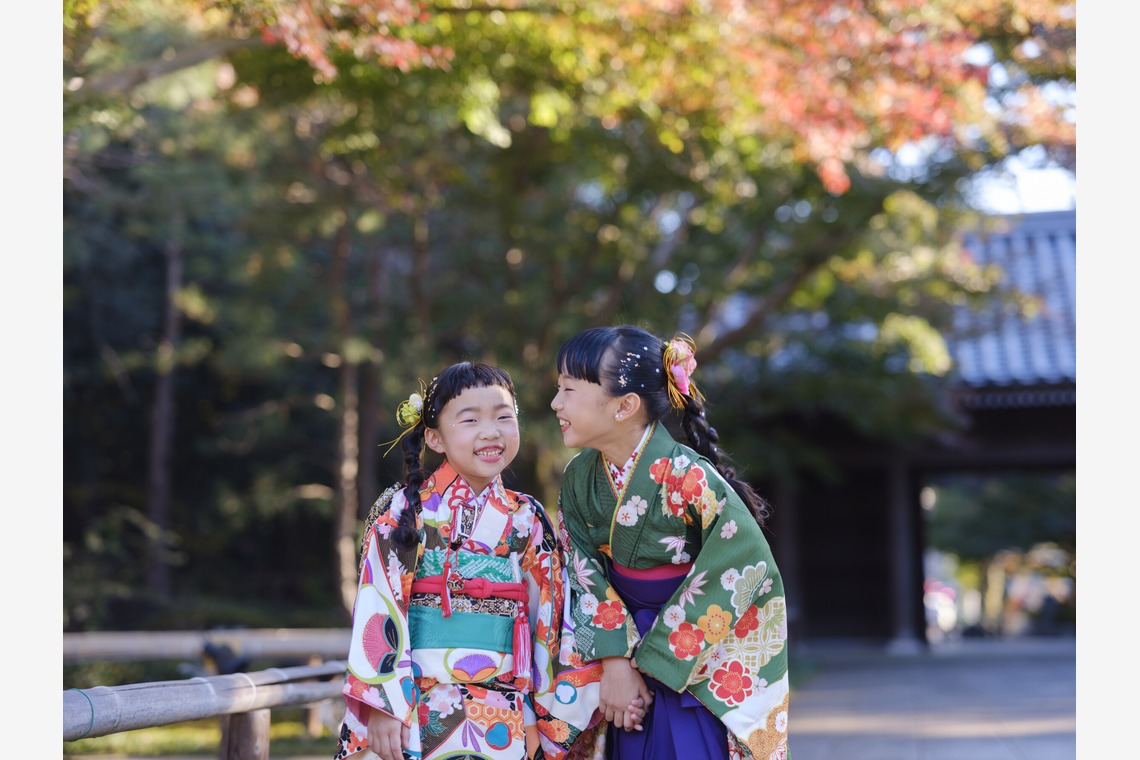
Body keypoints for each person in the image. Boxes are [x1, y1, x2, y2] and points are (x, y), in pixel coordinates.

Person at [334, 361, 601, 760]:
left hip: (505, 713)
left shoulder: (527, 518)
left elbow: (551, 619)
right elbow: (379, 604)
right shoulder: (406, 510)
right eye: (470, 419)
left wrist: (541, 713)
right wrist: (383, 704)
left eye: (503, 417)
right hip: (417, 706)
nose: (491, 432)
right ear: (435, 438)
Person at [549, 326, 790, 760]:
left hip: (692, 664)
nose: (556, 403)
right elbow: (581, 571)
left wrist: (658, 656)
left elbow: (742, 565)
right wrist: (616, 665)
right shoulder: (578, 478)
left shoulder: (688, 476)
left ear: (625, 406)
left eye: (568, 389)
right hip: (620, 668)